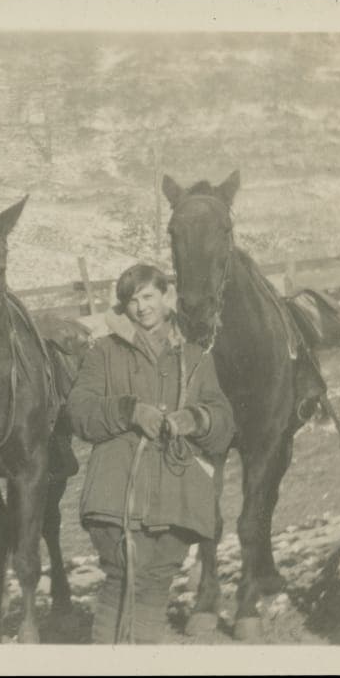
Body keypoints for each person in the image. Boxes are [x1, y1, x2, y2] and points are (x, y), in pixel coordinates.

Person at [67, 263, 235, 644]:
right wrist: (128, 411)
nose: (142, 307)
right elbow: (79, 411)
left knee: (157, 582)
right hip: (117, 494)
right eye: (132, 301)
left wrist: (196, 419)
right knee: (121, 579)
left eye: (148, 297)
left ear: (166, 295)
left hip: (177, 495)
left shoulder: (195, 357)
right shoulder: (104, 353)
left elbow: (224, 424)